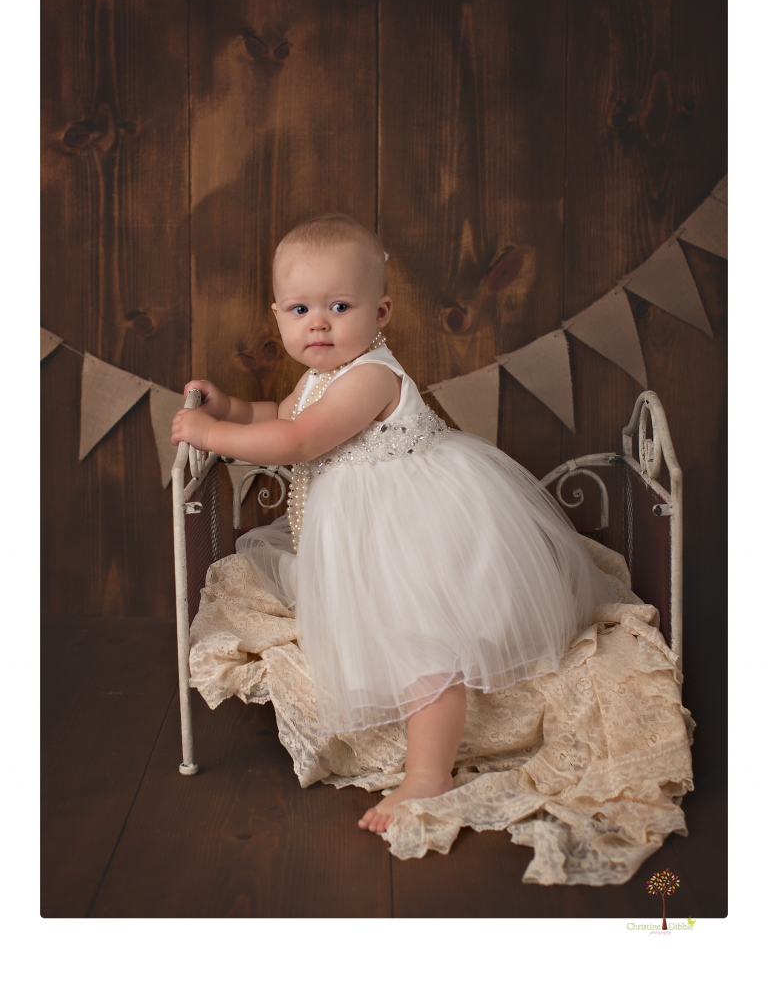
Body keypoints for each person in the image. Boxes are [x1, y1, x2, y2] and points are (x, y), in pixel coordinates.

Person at [171, 214, 618, 834]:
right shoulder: (321, 376)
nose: (318, 322)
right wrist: (231, 408)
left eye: (339, 305)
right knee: (381, 621)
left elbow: (299, 439)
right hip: (368, 533)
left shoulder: (371, 376)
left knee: (421, 645)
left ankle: (428, 774)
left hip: (411, 531)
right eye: (300, 309)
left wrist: (211, 434)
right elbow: (281, 412)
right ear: (277, 317)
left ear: (380, 314)